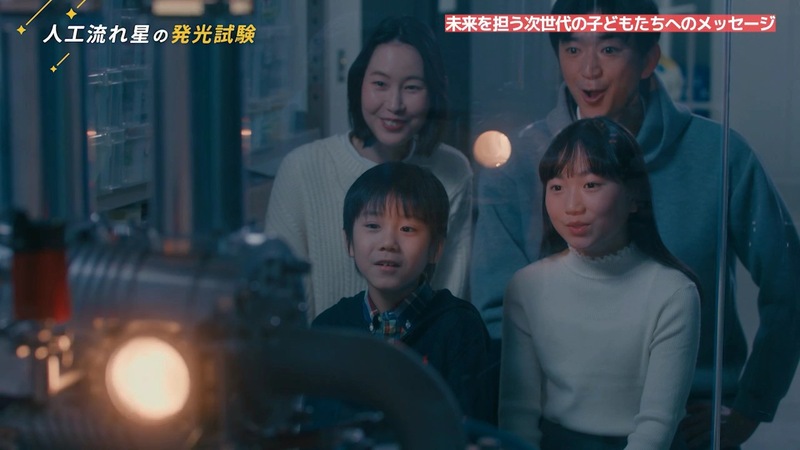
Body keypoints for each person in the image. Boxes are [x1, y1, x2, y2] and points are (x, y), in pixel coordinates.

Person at [472, 0, 800, 448]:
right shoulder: (519, 162)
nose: (588, 70)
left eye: (609, 49)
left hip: (690, 423)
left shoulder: (720, 154)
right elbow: (496, 318)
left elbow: (789, 284)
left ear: (649, 59)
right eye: (572, 49)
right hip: (557, 428)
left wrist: (751, 407)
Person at [499, 117, 701, 449]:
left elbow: (657, 426)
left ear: (633, 196)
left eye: (591, 185)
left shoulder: (673, 292)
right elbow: (517, 415)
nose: (572, 207)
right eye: (557, 187)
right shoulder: (527, 286)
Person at [265, 16, 471, 320]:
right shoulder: (302, 168)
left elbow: (449, 299)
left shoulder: (452, 170)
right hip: (319, 348)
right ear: (359, 84)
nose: (395, 104)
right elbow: (282, 304)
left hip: (419, 348)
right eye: (380, 84)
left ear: (433, 94)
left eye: (412, 87)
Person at [312, 162, 491, 422]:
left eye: (407, 229)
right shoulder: (330, 328)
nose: (388, 243)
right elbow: (318, 427)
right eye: (373, 225)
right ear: (348, 241)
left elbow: (471, 427)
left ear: (436, 248)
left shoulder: (459, 326)